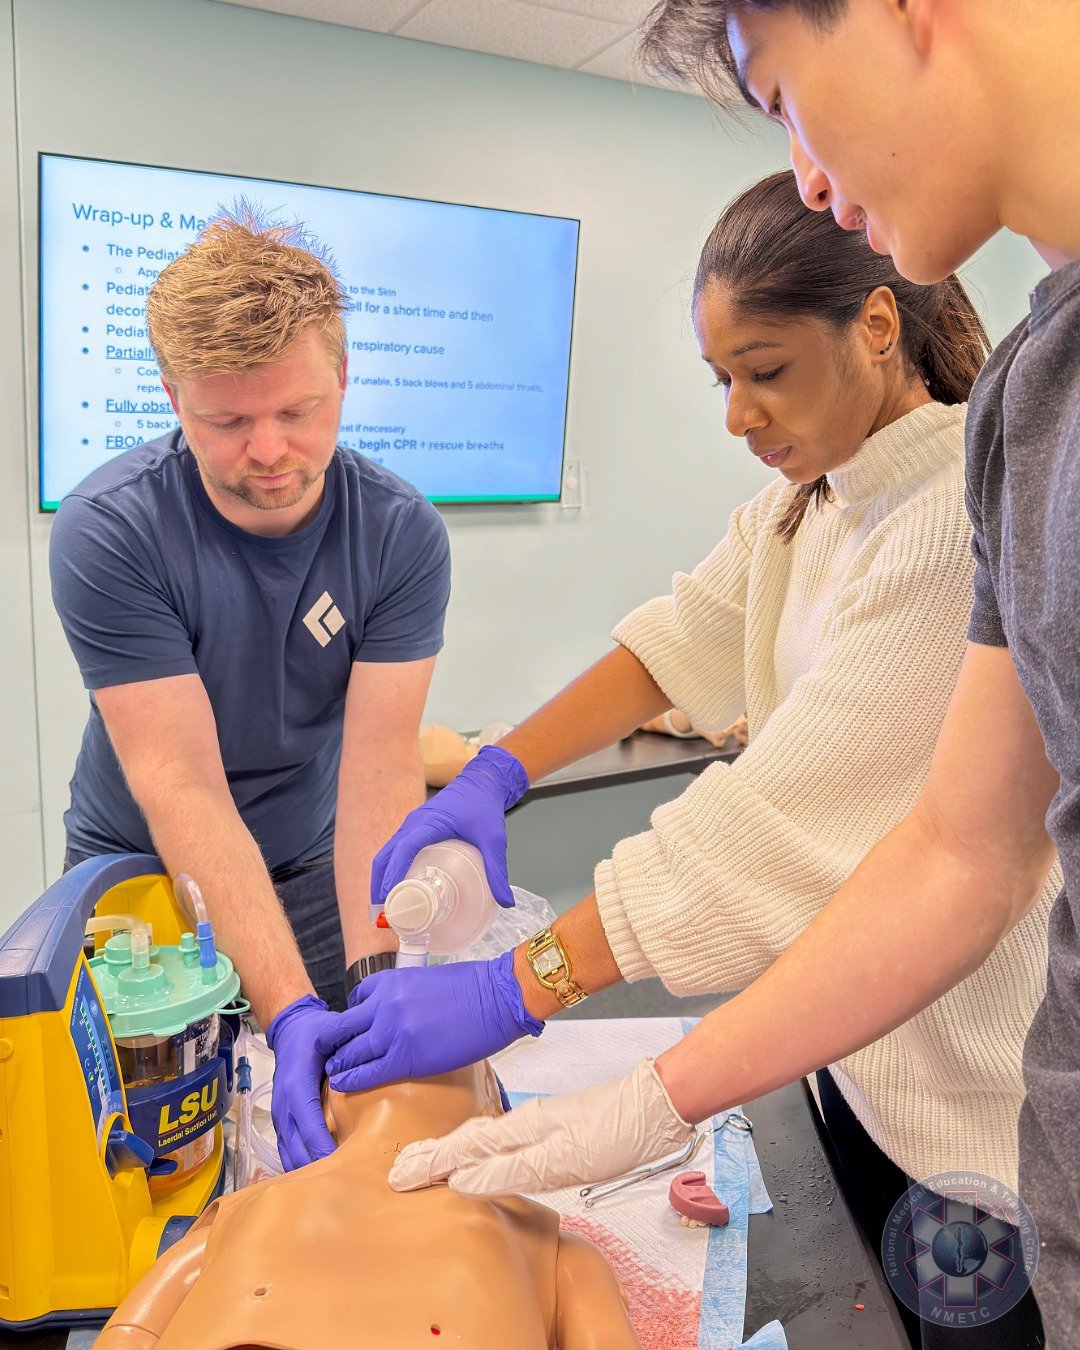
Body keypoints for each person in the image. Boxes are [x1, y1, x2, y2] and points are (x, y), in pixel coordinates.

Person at [372, 2, 1080, 1344]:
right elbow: (687, 642)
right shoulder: (931, 453)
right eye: (719, 380)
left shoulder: (939, 513)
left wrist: (520, 986)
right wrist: (505, 764)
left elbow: (780, 827)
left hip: (971, 1101)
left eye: (781, 96)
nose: (813, 172)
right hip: (880, 1071)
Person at [49, 209, 450, 1173]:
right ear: (172, 395)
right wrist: (288, 1007)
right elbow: (182, 786)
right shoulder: (111, 530)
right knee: (145, 1158)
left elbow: (381, 777)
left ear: (343, 380)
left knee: (353, 1102)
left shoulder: (399, 536)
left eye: (298, 411)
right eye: (227, 421)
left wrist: (372, 978)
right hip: (140, 875)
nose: (268, 450)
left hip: (312, 864)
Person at [96, 1062, 640, 1350]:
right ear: (498, 1114)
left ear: (322, 1112)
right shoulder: (548, 1246)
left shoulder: (250, 1206)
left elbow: (129, 1334)